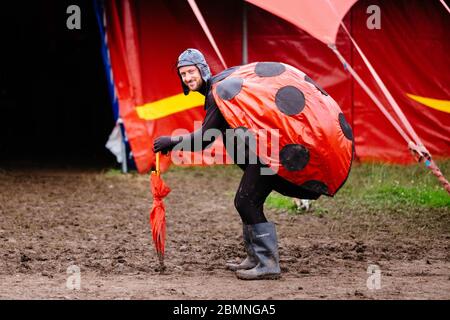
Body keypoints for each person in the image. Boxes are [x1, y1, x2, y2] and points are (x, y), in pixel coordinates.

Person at [153, 48, 353, 280]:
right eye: (183, 74)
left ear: (202, 70)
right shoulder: (220, 87)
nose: (188, 78)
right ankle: (255, 258)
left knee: (246, 201)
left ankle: (268, 264)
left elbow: (204, 140)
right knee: (248, 201)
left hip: (267, 154)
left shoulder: (217, 93)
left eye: (191, 72)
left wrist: (171, 141)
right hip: (262, 154)